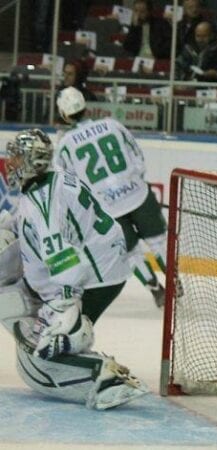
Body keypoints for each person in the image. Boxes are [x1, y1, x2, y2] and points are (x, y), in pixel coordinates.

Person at [2, 128, 147, 409]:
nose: (11, 163)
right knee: (43, 341)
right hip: (102, 263)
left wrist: (64, 309)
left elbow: (65, 263)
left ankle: (104, 377)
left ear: (32, 161)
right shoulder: (49, 181)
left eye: (17, 157)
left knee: (43, 355)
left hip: (96, 276)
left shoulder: (42, 203)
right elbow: (26, 219)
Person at [54, 87, 169, 307]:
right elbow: (138, 157)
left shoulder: (65, 145)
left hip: (107, 209)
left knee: (130, 253)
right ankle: (174, 283)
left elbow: (65, 184)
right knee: (159, 242)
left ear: (64, 114)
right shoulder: (112, 125)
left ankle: (157, 290)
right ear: (85, 106)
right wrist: (132, 183)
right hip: (138, 195)